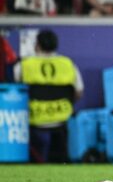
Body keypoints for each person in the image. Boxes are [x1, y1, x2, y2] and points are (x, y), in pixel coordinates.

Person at [14, 30, 83, 162]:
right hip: (62, 119)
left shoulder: (23, 65)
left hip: (34, 119)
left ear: (37, 45)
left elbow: (15, 91)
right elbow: (79, 92)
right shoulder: (68, 64)